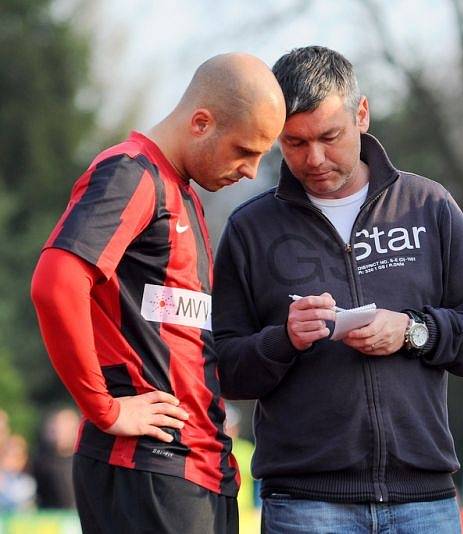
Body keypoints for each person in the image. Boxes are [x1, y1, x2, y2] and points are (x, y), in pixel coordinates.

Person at [212, 45, 463, 533]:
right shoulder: (251, 228)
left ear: (362, 114)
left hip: (424, 500)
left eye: (330, 136)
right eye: (295, 143)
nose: (315, 158)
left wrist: (414, 331)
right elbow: (221, 368)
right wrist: (282, 339)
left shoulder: (427, 205)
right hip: (305, 505)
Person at [30, 53, 286, 534]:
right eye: (244, 151)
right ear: (201, 122)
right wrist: (103, 407)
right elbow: (56, 283)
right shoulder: (131, 173)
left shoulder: (180, 191)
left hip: (193, 470)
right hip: (149, 467)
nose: (251, 171)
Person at [32, 407, 80, 509]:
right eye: (56, 427)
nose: (60, 433)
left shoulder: (87, 463)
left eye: (66, 428)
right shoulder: (39, 463)